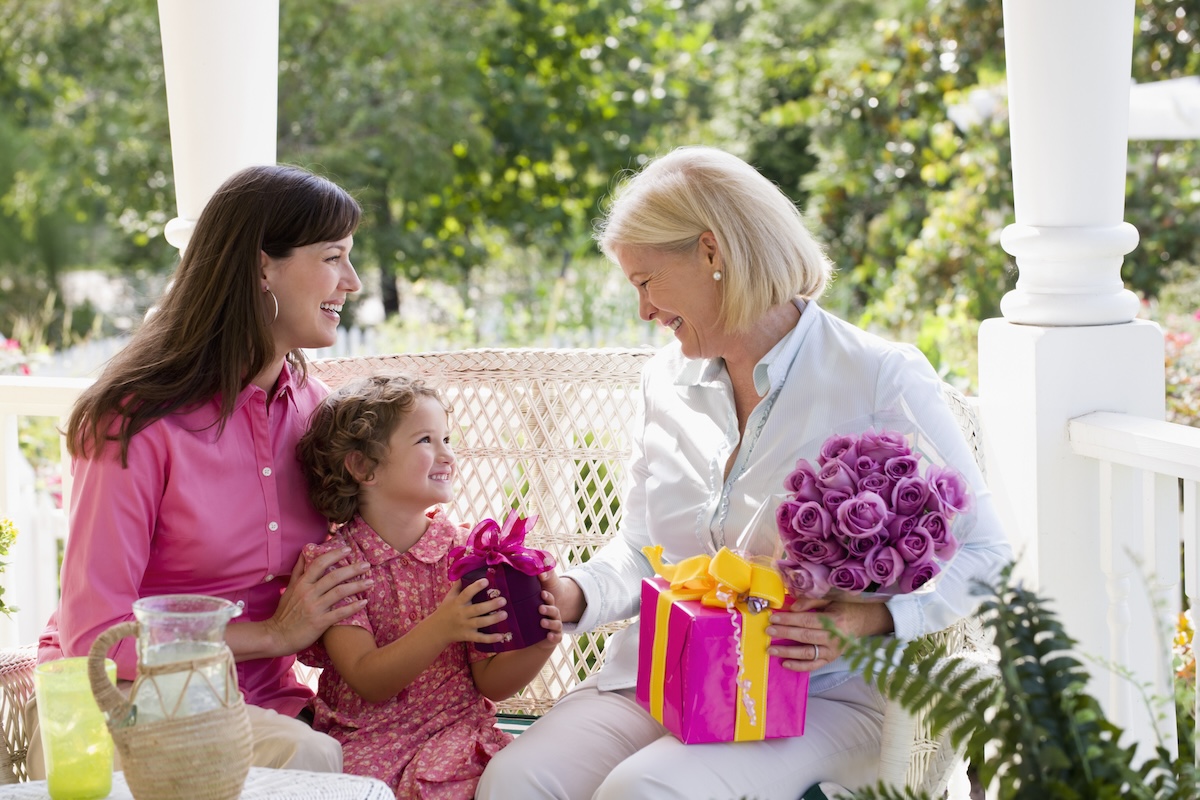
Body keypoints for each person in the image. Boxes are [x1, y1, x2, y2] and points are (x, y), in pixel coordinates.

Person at [476, 146, 1012, 800]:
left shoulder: (877, 376)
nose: (643, 310)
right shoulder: (664, 382)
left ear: (711, 252)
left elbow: (987, 553)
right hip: (667, 677)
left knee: (644, 792)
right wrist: (573, 596)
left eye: (645, 281)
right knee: (516, 780)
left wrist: (868, 622)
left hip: (819, 693)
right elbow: (646, 551)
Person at [34, 164, 371, 773]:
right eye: (333, 257)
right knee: (311, 758)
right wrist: (271, 636)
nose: (351, 281)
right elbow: (94, 638)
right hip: (131, 704)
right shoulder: (133, 423)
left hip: (266, 705)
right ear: (260, 266)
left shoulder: (318, 414)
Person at [295, 372, 564, 798]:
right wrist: (443, 626)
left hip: (456, 735)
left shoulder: (468, 556)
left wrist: (541, 647)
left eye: (447, 439)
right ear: (364, 467)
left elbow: (489, 682)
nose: (447, 455)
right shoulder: (338, 565)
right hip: (367, 737)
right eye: (426, 440)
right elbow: (368, 679)